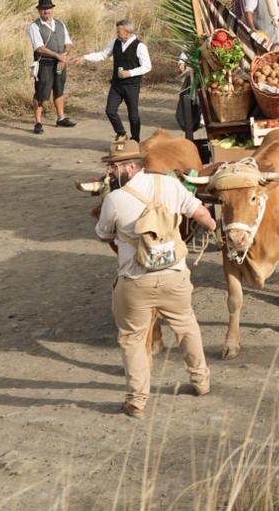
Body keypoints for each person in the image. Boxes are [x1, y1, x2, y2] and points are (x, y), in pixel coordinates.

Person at [95, 138, 216, 418]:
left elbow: (102, 233)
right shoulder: (171, 185)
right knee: (187, 327)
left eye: (114, 166)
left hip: (135, 281)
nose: (111, 172)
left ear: (131, 166)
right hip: (174, 276)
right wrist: (211, 226)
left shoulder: (115, 199)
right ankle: (201, 380)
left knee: (132, 338)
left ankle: (137, 400)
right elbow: (199, 213)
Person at [79, 19, 152, 142]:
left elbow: (147, 66)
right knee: (110, 110)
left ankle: (135, 140)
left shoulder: (140, 46)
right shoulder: (115, 42)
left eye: (119, 31)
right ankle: (121, 133)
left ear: (128, 32)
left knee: (133, 115)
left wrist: (130, 73)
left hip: (132, 85)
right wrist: (85, 57)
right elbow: (102, 55)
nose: (117, 34)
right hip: (116, 84)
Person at [29, 0, 76, 135]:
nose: (46, 11)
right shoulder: (34, 26)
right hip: (44, 64)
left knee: (59, 89)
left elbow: (68, 43)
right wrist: (58, 56)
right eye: (43, 9)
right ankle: (38, 122)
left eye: (48, 8)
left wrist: (63, 58)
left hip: (60, 63)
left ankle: (61, 118)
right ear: (39, 11)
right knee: (41, 92)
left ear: (52, 9)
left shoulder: (60, 24)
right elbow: (39, 48)